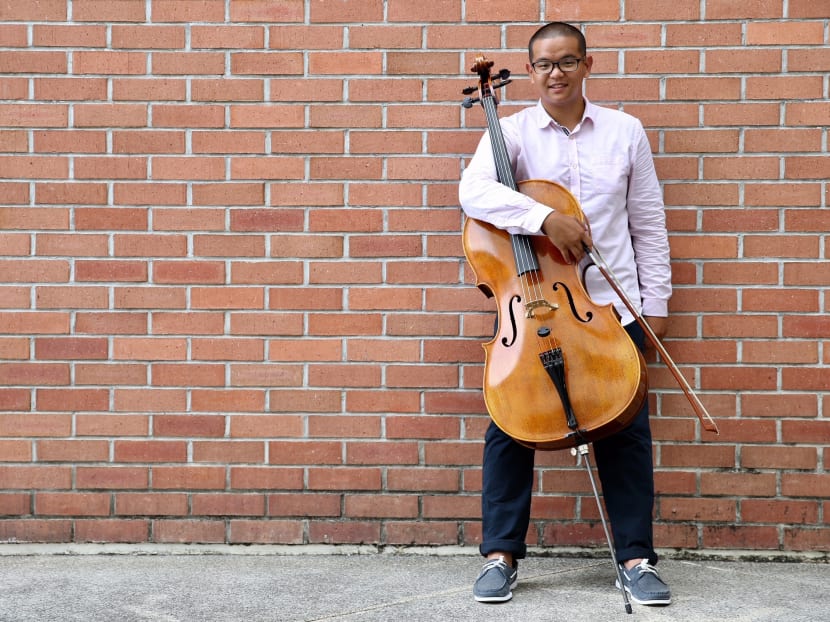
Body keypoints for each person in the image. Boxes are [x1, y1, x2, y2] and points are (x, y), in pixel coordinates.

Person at [458, 21, 673, 606]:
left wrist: (654, 306)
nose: (556, 73)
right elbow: (474, 192)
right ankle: (501, 555)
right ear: (530, 73)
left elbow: (648, 224)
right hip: (532, 310)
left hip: (611, 305)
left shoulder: (625, 132)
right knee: (510, 425)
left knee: (626, 431)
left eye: (568, 61)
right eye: (544, 64)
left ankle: (636, 560)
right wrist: (544, 218)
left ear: (587, 65)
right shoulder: (511, 131)